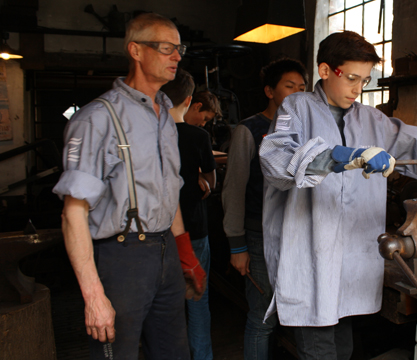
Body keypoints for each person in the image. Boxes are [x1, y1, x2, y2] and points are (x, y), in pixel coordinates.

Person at [258, 31, 417, 360]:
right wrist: (338, 157)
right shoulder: (295, 108)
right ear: (326, 71)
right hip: (309, 256)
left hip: (348, 261)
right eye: (352, 78)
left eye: (366, 80)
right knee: (319, 350)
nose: (359, 90)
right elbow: (276, 159)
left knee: (343, 346)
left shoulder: (371, 118)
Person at [53, 13, 206, 360]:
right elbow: (72, 215)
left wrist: (185, 255)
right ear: (136, 51)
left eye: (179, 49)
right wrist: (94, 296)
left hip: (164, 252)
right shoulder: (98, 118)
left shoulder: (165, 116)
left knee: (173, 353)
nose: (177, 57)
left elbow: (171, 191)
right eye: (167, 48)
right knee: (116, 354)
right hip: (122, 258)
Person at [222, 58, 308, 360]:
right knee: (262, 318)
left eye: (302, 87)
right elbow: (234, 190)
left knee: (297, 315)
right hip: (258, 238)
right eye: (289, 86)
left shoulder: (306, 133)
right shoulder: (250, 130)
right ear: (270, 91)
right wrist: (237, 246)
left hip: (297, 237)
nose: (297, 93)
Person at [161, 68, 217, 360]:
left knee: (163, 304)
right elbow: (211, 183)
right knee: (198, 301)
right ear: (189, 100)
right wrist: (200, 177)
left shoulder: (150, 133)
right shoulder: (197, 136)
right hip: (193, 227)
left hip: (158, 231)